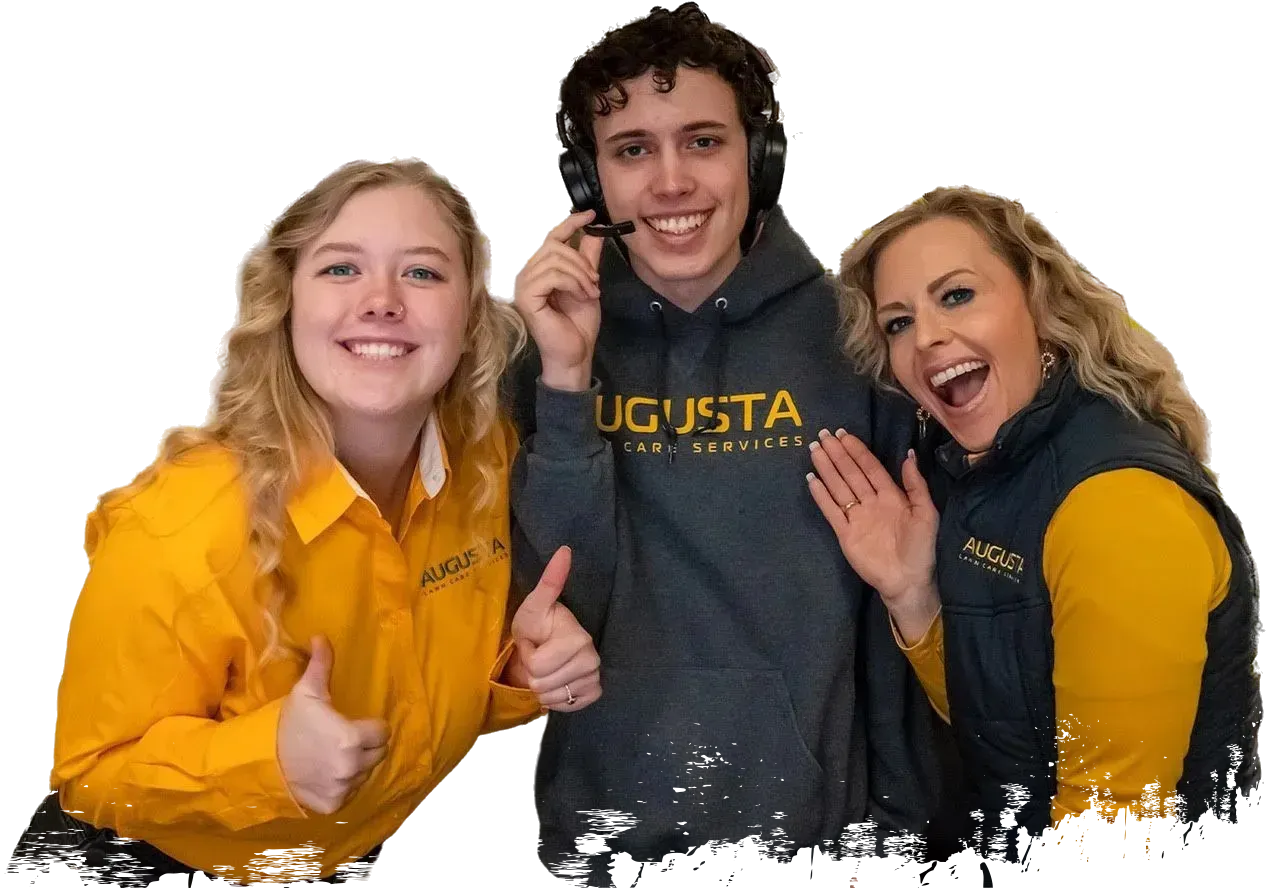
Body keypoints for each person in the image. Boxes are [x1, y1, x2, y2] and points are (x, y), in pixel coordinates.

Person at [7, 156, 603, 888]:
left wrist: (521, 672)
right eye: (341, 269)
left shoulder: (483, 462)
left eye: (422, 272)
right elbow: (89, 773)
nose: (382, 301)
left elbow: (421, 693)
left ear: (470, 316)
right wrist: (269, 764)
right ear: (286, 302)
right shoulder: (181, 523)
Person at [506, 7, 939, 885]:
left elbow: (898, 604)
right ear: (590, 179)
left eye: (702, 141)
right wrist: (566, 382)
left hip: (813, 856)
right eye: (632, 150)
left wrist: (890, 843)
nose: (671, 182)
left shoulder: (856, 340)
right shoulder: (543, 351)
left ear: (760, 158)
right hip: (593, 852)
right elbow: (553, 602)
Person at [806, 184, 1263, 884]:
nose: (925, 337)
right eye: (899, 322)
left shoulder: (1115, 506)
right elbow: (1011, 733)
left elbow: (1112, 834)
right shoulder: (989, 472)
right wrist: (912, 596)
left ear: (1040, 306)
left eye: (957, 295)